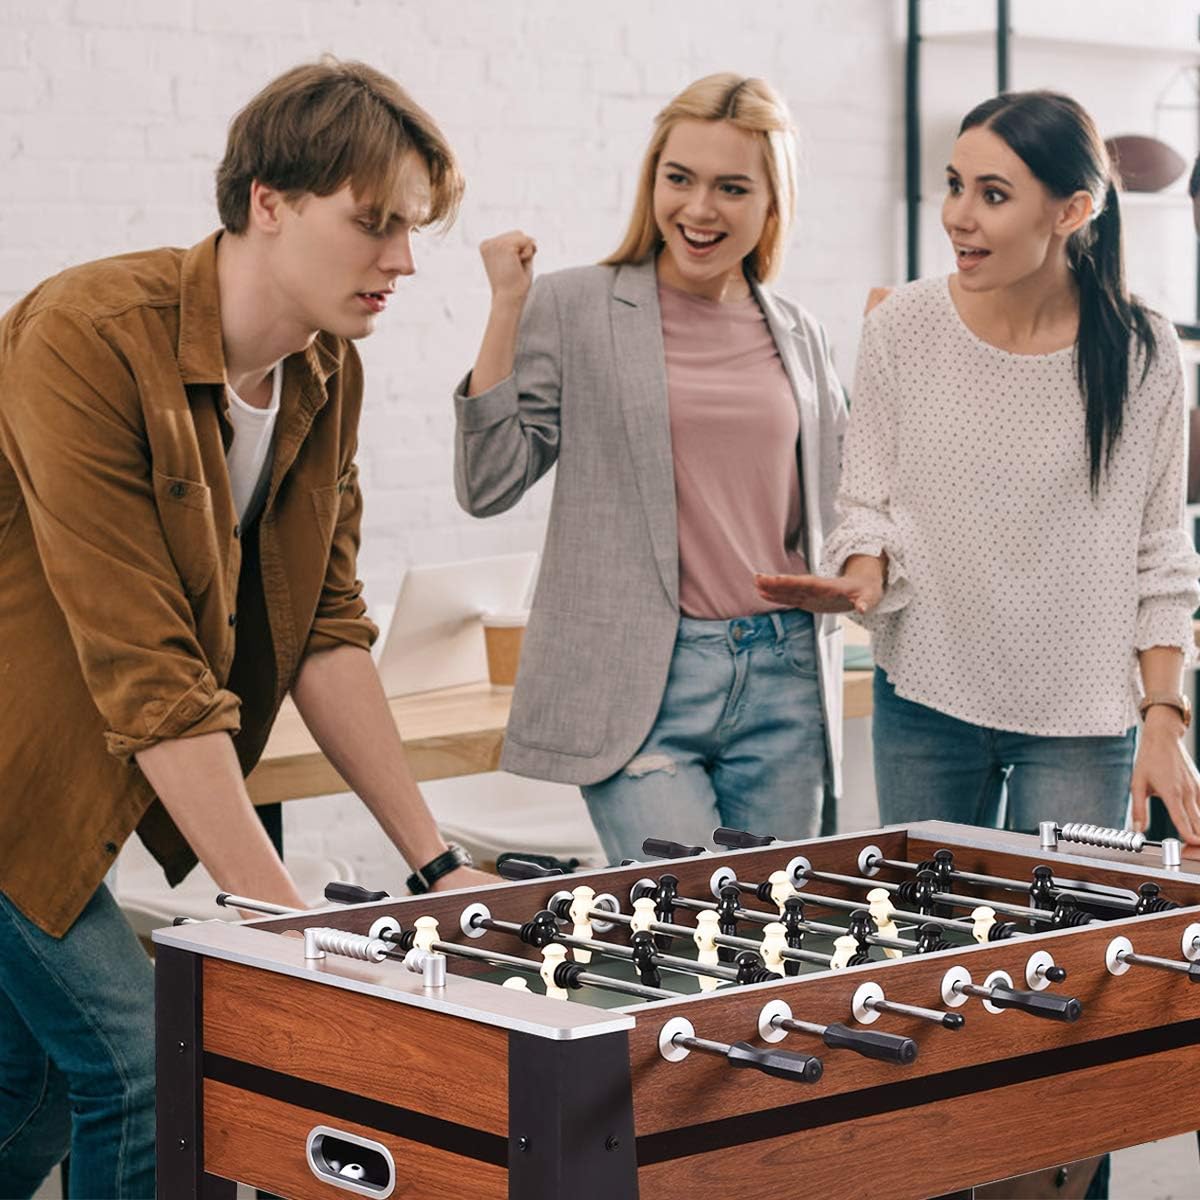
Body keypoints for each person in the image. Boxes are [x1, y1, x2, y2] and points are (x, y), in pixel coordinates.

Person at [0, 58, 493, 1199]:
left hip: (80, 775)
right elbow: (149, 666)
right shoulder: (87, 334)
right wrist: (275, 918)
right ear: (268, 201)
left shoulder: (328, 371)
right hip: (17, 774)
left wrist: (433, 862)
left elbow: (325, 623)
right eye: (373, 223)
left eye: (413, 229)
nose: (403, 261)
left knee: (25, 1090)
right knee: (146, 1068)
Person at [757, 89, 1200, 847]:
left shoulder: (1144, 353)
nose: (959, 215)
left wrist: (1165, 715)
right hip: (926, 697)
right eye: (956, 185)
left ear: (1071, 211)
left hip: (1082, 719)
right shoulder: (902, 325)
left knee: (1055, 950)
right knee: (929, 940)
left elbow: (1160, 555)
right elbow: (865, 501)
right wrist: (862, 572)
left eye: (993, 195)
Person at [454, 74, 847, 864]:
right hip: (643, 680)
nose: (699, 210)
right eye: (680, 179)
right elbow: (488, 483)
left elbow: (841, 504)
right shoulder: (574, 307)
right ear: (652, 183)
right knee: (689, 924)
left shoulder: (799, 333)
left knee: (779, 931)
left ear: (773, 203)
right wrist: (504, 309)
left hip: (783, 672)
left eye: (731, 187)